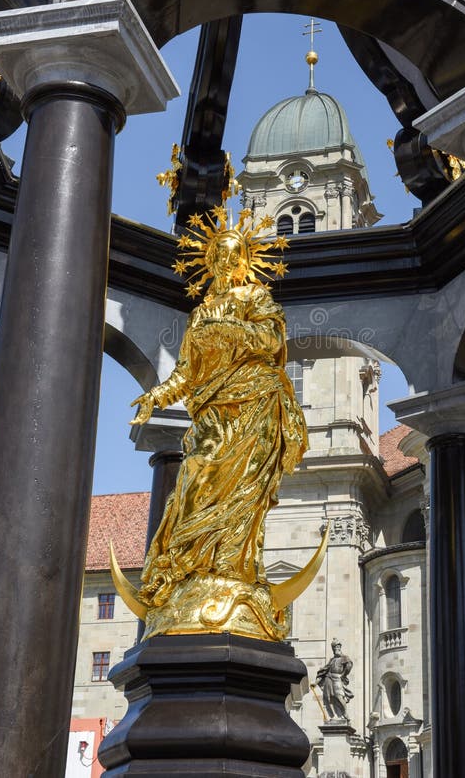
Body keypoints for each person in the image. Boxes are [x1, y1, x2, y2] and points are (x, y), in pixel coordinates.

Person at [129, 219, 308, 639]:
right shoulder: (201, 313)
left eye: (234, 254)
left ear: (246, 262)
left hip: (255, 408)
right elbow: (187, 374)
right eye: (219, 254)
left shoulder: (256, 297)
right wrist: (156, 396)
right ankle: (193, 569)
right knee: (195, 475)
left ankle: (233, 568)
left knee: (244, 497)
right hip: (212, 413)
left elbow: (269, 341)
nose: (226, 261)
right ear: (210, 262)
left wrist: (229, 328)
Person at [314, 639, 354, 719]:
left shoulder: (344, 658)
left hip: (337, 678)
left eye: (338, 647)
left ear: (340, 648)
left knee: (339, 696)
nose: (337, 649)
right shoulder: (331, 660)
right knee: (329, 698)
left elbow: (349, 666)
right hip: (329, 678)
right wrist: (315, 683)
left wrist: (342, 675)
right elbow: (324, 671)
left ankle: (345, 713)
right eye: (335, 647)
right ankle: (335, 715)